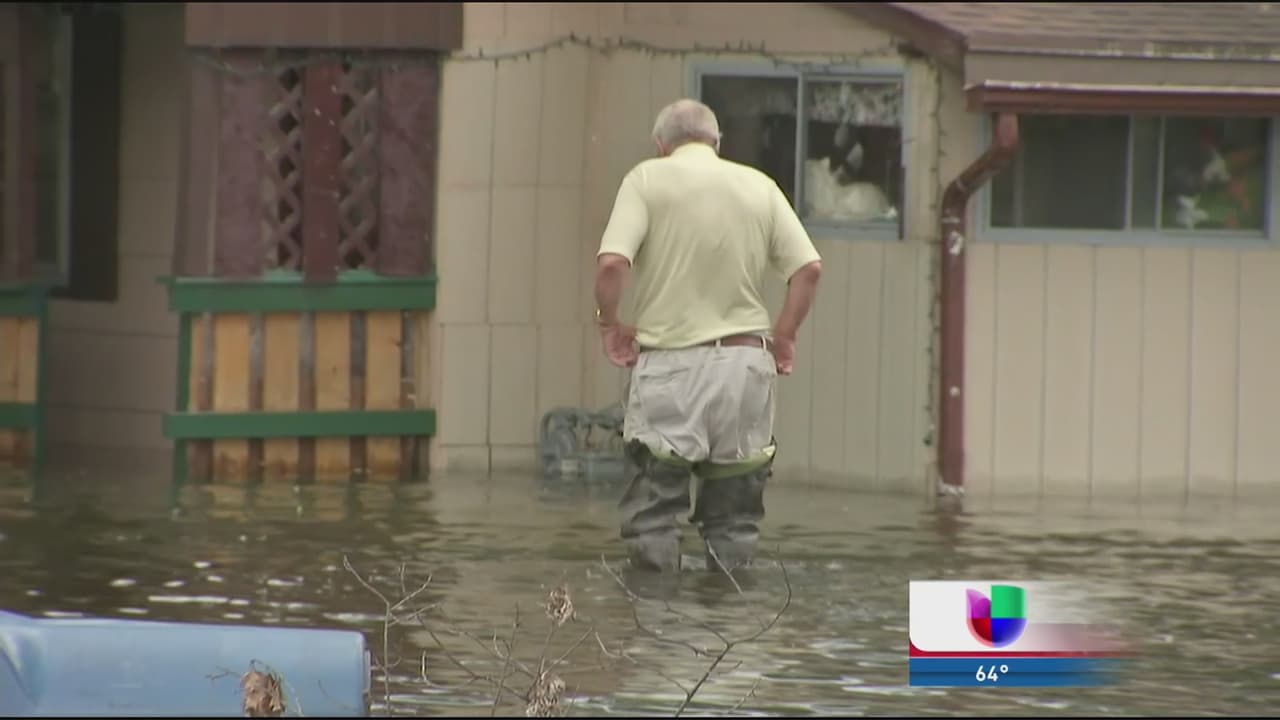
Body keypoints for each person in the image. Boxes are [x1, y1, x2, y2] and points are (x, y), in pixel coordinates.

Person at [592, 98, 823, 574]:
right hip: (745, 369)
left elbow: (613, 263)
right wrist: (784, 336)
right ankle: (733, 631)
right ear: (718, 143)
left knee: (654, 519)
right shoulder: (759, 186)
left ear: (661, 145)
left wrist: (609, 323)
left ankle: (658, 636)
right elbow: (808, 269)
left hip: (670, 371)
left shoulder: (646, 180)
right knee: (734, 523)